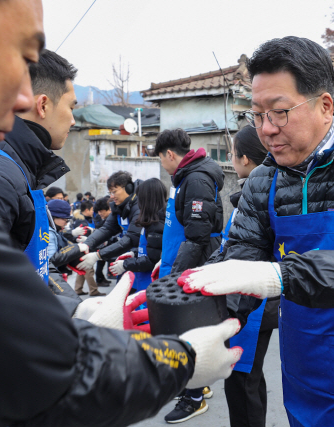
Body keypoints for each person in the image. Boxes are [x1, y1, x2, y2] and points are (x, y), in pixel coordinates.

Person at [0, 1, 241, 425]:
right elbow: (43, 364)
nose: (19, 95)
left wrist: (74, 309)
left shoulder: (20, 173)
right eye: (12, 59)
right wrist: (179, 360)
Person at [176, 36, 334, 427]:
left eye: (279, 113)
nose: (266, 129)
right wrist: (191, 324)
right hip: (303, 360)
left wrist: (282, 275)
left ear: (325, 106)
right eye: (256, 115)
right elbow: (241, 257)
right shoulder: (265, 180)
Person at [0, 47, 75, 281]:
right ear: (43, 105)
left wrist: (74, 311)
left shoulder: (20, 168)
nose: (73, 120)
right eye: (71, 107)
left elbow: (34, 270)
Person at [153, 128, 225, 423]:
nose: (163, 165)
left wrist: (176, 277)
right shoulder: (185, 175)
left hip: (197, 259)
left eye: (161, 159)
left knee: (188, 328)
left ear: (170, 154)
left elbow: (197, 236)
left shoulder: (195, 179)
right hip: (185, 256)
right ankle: (197, 385)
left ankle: (193, 397)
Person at [214, 126, 274, 427]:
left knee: (241, 379)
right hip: (248, 295)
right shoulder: (249, 192)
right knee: (248, 377)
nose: (230, 157)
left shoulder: (257, 195)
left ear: (246, 159)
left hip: (251, 300)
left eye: (232, 152)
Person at [77, 171, 143, 273]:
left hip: (140, 259)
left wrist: (98, 255)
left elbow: (131, 238)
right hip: (125, 258)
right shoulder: (119, 207)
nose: (111, 196)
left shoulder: (139, 207)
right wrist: (86, 244)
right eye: (110, 193)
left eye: (114, 192)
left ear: (128, 188)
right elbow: (106, 229)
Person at [109, 178, 166, 293]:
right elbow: (150, 249)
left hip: (151, 284)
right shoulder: (151, 221)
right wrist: (134, 253)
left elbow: (152, 260)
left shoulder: (157, 224)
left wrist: (125, 265)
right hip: (143, 281)